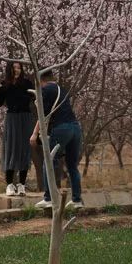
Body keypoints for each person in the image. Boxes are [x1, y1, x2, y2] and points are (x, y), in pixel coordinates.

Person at [31, 70, 83, 210]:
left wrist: (35, 134)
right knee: (72, 165)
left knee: (48, 161)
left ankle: (49, 198)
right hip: (75, 128)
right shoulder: (62, 89)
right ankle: (77, 200)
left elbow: (43, 115)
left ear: (41, 80)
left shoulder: (46, 90)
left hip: (61, 129)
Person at [0, 61, 35, 196]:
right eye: (14, 68)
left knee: (24, 148)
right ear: (9, 69)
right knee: (10, 148)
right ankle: (9, 184)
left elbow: (32, 98)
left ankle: (22, 184)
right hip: (12, 118)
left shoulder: (27, 83)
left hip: (25, 117)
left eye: (19, 68)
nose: (17, 70)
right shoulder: (5, 84)